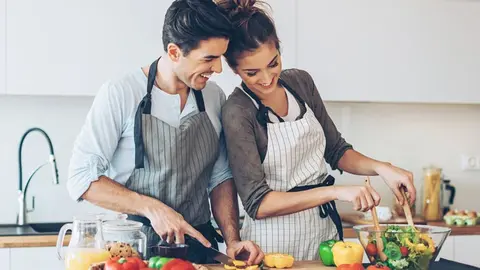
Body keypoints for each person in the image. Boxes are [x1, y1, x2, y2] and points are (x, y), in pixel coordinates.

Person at [66, 0, 264, 265]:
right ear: (173, 52)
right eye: (209, 58)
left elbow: (220, 177)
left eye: (220, 57)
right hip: (134, 250)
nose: (218, 69)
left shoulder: (214, 97)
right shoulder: (121, 93)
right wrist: (153, 208)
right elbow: (81, 178)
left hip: (197, 249)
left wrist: (232, 241)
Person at [217, 0, 416, 260]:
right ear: (234, 69)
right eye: (252, 72)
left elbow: (336, 151)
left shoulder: (300, 83)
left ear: (279, 48)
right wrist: (336, 192)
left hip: (325, 239)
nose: (266, 79)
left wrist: (383, 168)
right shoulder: (237, 110)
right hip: (272, 247)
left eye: (273, 63)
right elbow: (258, 203)